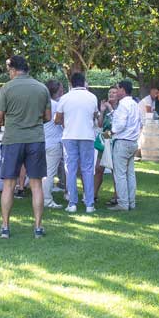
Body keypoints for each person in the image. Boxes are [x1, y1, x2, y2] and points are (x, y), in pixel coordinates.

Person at [0, 55, 51, 239]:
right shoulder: (42, 88)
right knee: (36, 184)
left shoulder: (7, 88)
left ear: (14, 69)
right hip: (35, 139)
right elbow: (47, 116)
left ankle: (5, 227)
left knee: (8, 184)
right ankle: (38, 228)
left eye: (9, 70)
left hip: (13, 140)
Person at [56, 72, 99, 214]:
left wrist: (65, 123)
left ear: (71, 83)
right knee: (87, 169)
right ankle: (90, 204)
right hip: (87, 135)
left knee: (71, 169)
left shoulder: (65, 98)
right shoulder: (92, 97)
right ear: (84, 82)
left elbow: (57, 119)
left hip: (69, 135)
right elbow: (95, 115)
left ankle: (72, 203)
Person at [109, 80, 142, 211]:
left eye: (118, 89)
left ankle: (123, 203)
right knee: (130, 174)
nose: (116, 92)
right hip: (133, 142)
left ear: (123, 90)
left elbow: (120, 125)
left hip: (122, 142)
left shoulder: (123, 105)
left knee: (120, 174)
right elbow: (140, 123)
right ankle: (131, 202)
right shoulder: (135, 104)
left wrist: (111, 132)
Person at [42, 79, 64, 209]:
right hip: (54, 141)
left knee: (42, 172)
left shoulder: (41, 103)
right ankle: (47, 199)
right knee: (50, 173)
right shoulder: (56, 105)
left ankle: (40, 196)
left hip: (41, 140)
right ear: (58, 91)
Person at [95, 86, 119, 206]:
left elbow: (117, 125)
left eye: (114, 92)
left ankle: (117, 196)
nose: (111, 94)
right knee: (98, 168)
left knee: (115, 169)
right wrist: (102, 110)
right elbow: (99, 125)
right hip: (105, 140)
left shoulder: (120, 108)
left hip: (115, 140)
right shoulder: (105, 106)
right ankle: (94, 195)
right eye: (109, 92)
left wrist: (110, 109)